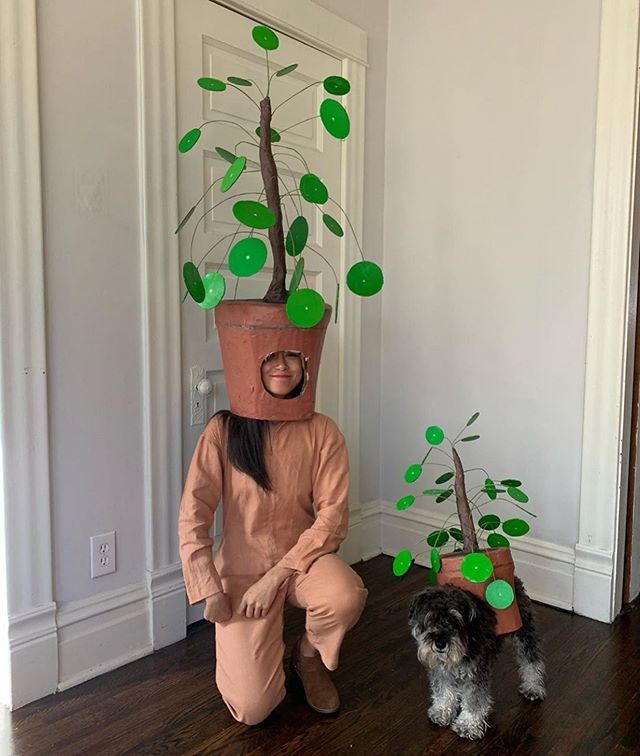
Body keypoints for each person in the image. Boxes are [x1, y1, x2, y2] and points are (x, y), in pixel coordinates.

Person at [178, 349, 368, 726]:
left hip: (302, 561)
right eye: (270, 357)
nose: (281, 365)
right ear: (251, 362)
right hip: (241, 572)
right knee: (253, 709)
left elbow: (332, 518)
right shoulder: (223, 430)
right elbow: (193, 513)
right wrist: (209, 587)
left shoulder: (322, 430)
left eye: (291, 356)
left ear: (307, 364)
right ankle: (263, 655)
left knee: (345, 596)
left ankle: (307, 658)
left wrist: (277, 576)